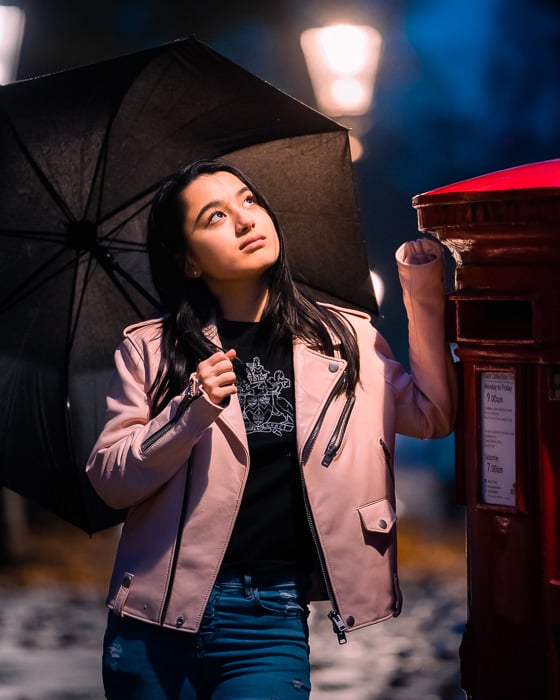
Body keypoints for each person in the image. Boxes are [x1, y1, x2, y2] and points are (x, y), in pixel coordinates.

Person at [86, 159, 457, 699]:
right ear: (189, 262)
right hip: (151, 620)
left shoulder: (342, 339)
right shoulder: (149, 351)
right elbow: (111, 479)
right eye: (214, 217)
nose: (244, 220)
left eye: (249, 201)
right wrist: (188, 411)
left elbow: (431, 414)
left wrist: (422, 293)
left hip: (268, 618)